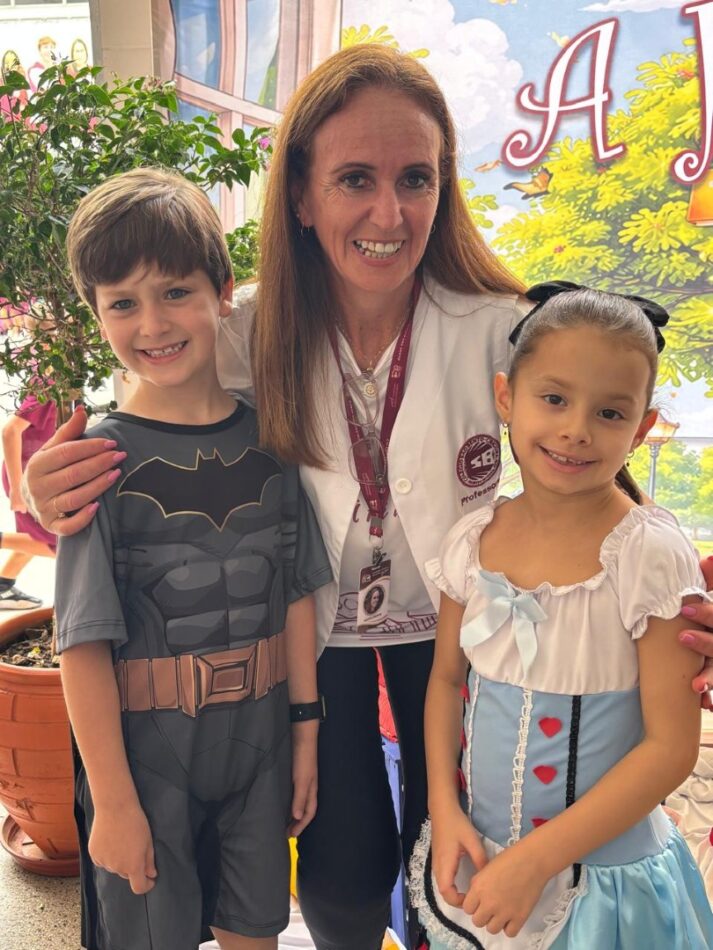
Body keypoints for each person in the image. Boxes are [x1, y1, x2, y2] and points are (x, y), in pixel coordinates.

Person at [22, 45, 713, 950]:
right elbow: (147, 418)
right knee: (342, 875)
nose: (389, 213)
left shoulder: (497, 325)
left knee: (460, 856)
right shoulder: (240, 328)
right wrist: (47, 487)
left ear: (442, 188)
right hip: (315, 634)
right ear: (301, 198)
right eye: (354, 179)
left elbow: (594, 430)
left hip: (464, 627)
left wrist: (667, 596)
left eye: (414, 179)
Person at [54, 167, 332, 950]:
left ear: (222, 290)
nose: (153, 322)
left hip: (260, 744)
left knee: (255, 932)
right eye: (122, 303)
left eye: (175, 291)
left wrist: (304, 735)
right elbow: (81, 643)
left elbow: (295, 593)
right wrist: (112, 801)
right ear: (97, 314)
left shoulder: (271, 439)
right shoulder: (97, 464)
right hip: (146, 758)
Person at [411, 284, 713, 948]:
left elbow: (670, 748)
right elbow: (445, 681)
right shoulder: (471, 541)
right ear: (505, 398)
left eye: (609, 412)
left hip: (607, 893)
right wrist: (444, 807)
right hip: (482, 865)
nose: (576, 429)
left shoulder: (650, 557)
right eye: (553, 399)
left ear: (640, 429)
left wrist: (537, 861)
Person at [0, 392, 57, 608]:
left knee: (35, 536)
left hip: (37, 476)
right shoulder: (49, 386)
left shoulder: (58, 384)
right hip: (29, 480)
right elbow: (10, 430)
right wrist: (17, 489)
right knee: (60, 545)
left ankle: (3, 585)